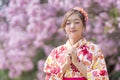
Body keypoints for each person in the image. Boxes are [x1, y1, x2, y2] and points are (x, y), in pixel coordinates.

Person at [44, 7, 109, 80]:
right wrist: (66, 65)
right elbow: (49, 77)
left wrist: (77, 63)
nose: (72, 26)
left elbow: (102, 77)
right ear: (64, 27)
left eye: (77, 22)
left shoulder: (94, 50)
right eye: (68, 23)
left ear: (83, 26)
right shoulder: (56, 53)